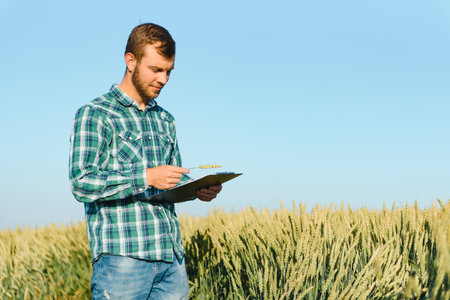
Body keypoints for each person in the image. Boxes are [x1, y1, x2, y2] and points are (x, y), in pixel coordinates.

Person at [69, 23, 222, 300]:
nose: (163, 79)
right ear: (131, 61)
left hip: (171, 260)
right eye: (156, 69)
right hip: (122, 261)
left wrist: (198, 189)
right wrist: (145, 177)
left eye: (168, 71)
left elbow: (170, 183)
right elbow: (81, 183)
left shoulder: (166, 119)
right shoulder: (94, 114)